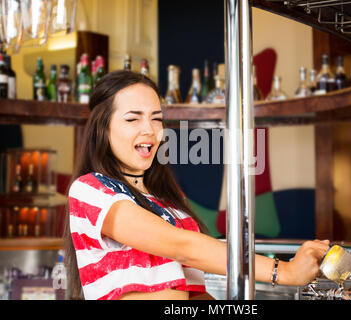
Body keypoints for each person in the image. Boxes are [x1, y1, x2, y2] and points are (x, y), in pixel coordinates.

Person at [64, 70, 330, 300]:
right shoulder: (90, 190)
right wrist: (282, 271)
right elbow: (184, 247)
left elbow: (193, 292)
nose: (150, 130)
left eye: (156, 118)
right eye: (132, 119)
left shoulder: (168, 202)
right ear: (103, 128)